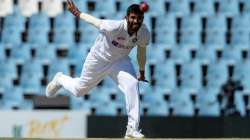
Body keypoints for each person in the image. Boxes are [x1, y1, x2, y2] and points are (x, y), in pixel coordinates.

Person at [45, 0, 150, 139]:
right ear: (126, 17)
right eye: (133, 17)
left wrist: (141, 72)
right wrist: (78, 13)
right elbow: (96, 22)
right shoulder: (114, 26)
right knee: (79, 91)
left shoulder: (144, 32)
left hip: (120, 61)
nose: (136, 21)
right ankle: (60, 79)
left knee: (132, 84)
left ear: (142, 19)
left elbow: (141, 52)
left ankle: (132, 129)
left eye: (139, 18)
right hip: (98, 60)